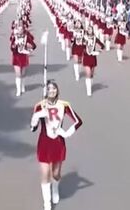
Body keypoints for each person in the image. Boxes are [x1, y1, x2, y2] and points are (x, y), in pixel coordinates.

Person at [30, 80, 82, 210]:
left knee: (56, 173)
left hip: (58, 142)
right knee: (45, 172)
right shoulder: (39, 106)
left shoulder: (64, 105)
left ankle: (55, 188)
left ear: (57, 90)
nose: (52, 90)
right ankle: (47, 202)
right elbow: (33, 128)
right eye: (49, 88)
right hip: (44, 142)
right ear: (45, 91)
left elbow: (78, 121)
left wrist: (66, 133)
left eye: (54, 88)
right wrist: (35, 118)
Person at [10, 25, 36, 96]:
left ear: (23, 30)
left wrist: (30, 46)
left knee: (23, 73)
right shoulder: (14, 37)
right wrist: (14, 45)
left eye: (21, 29)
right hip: (16, 57)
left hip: (24, 56)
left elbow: (34, 46)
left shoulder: (26, 37)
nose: (20, 31)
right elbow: (11, 48)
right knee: (18, 74)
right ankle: (18, 90)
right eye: (18, 29)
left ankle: (22, 85)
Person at [82, 25, 103, 97]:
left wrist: (99, 51)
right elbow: (80, 45)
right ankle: (89, 90)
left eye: (91, 29)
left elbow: (102, 45)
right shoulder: (84, 38)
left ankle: (90, 85)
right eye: (88, 29)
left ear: (92, 30)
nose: (89, 30)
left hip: (93, 58)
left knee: (91, 74)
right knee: (88, 73)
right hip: (86, 57)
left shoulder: (95, 38)